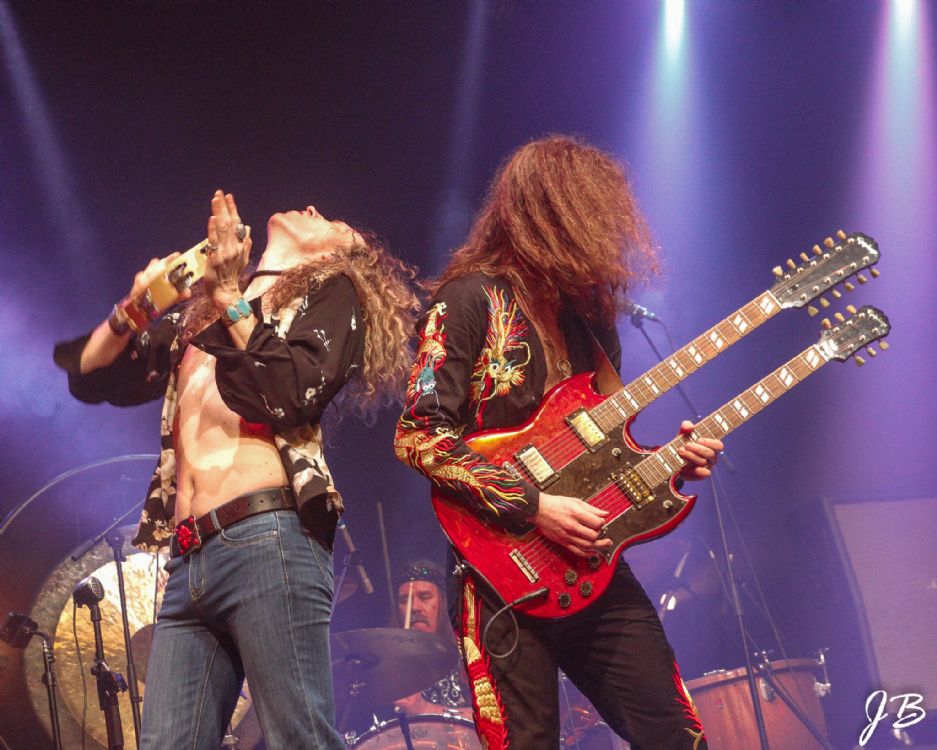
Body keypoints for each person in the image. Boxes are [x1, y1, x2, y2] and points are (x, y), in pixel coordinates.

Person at [55, 190, 418, 750]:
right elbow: (89, 374)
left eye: (331, 219)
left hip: (268, 539)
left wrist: (229, 296)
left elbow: (289, 391)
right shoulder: (202, 316)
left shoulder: (332, 293)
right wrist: (137, 306)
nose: (314, 207)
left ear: (336, 255)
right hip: (188, 559)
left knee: (299, 737)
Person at [393, 136, 722, 750]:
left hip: (590, 564)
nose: (606, 234)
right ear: (552, 216)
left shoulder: (588, 321)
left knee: (675, 733)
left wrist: (671, 464)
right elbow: (419, 438)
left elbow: (604, 455)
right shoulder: (467, 300)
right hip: (499, 572)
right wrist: (535, 506)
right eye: (590, 215)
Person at [393, 559, 470, 717]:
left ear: (443, 603)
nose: (414, 607)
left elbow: (493, 719)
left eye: (424, 597)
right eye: (404, 600)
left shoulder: (468, 655)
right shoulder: (386, 663)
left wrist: (426, 710)